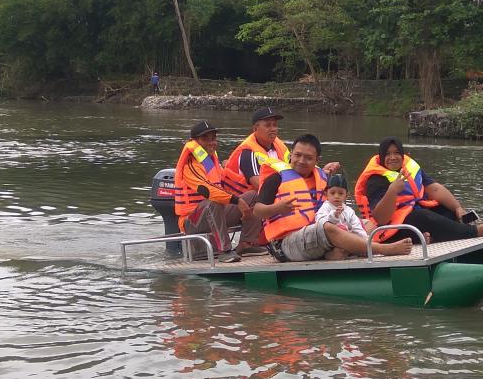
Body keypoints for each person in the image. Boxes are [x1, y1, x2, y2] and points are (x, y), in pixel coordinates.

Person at [250, 134, 413, 263]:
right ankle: (382, 250)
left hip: (314, 235)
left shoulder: (321, 177)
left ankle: (337, 252)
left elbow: (332, 208)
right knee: (328, 227)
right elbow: (257, 211)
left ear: (316, 161)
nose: (301, 161)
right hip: (284, 245)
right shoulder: (276, 178)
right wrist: (277, 208)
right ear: (291, 155)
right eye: (297, 155)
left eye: (308, 158)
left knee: (364, 222)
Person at [224, 107, 340, 254]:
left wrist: (321, 175)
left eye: (275, 125)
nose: (273, 129)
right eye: (267, 125)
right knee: (258, 196)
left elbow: (297, 170)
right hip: (242, 206)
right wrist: (289, 193)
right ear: (255, 128)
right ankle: (246, 243)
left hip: (273, 203)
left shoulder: (280, 148)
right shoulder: (248, 153)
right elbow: (259, 184)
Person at [354, 137, 483, 244]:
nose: (393, 157)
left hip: (412, 215)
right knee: (423, 216)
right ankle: (474, 232)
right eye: (387, 154)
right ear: (381, 157)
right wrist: (392, 191)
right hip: (388, 229)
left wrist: (458, 209)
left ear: (402, 154)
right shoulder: (375, 179)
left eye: (397, 153)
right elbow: (381, 219)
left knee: (445, 210)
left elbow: (435, 189)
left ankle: (431, 235)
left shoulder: (409, 168)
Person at [173, 120, 251, 263]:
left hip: (214, 214)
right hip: (191, 221)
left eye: (213, 138)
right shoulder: (189, 166)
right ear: (194, 141)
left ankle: (247, 244)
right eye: (205, 139)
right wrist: (237, 200)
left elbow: (228, 183)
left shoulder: (211, 161)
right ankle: (225, 251)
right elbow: (207, 190)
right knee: (213, 202)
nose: (211, 142)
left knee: (253, 196)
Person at [312, 173, 375, 260]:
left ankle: (360, 249)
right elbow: (320, 224)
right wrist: (334, 215)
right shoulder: (325, 207)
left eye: (340, 193)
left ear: (346, 196)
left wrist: (365, 241)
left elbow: (357, 226)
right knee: (339, 247)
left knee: (365, 226)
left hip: (345, 238)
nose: (336, 196)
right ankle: (329, 254)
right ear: (326, 194)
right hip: (330, 241)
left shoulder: (349, 210)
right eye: (332, 193)